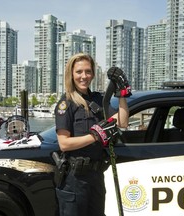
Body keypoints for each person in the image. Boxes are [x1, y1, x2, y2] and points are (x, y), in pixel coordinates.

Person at [54, 53, 131, 216]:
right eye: (79, 72)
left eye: (88, 72)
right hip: (74, 179)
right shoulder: (66, 103)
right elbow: (64, 144)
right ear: (71, 74)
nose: (84, 76)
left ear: (93, 74)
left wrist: (122, 93)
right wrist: (96, 135)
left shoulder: (98, 100)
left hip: (96, 176)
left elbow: (122, 122)